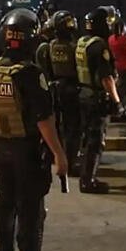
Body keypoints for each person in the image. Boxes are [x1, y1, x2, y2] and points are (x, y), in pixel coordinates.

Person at [0, 7, 68, 251]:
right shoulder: (31, 73)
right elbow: (44, 120)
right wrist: (59, 154)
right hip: (28, 153)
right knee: (30, 213)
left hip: (1, 150)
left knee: (5, 208)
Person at [75, 6, 123, 193]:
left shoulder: (82, 42)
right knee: (96, 141)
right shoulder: (100, 46)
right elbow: (106, 78)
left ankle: (85, 176)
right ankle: (88, 181)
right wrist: (117, 101)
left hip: (83, 95)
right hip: (96, 98)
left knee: (86, 138)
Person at [35, 10, 82, 172]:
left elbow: (42, 70)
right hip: (71, 90)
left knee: (51, 126)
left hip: (52, 89)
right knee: (72, 127)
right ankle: (69, 160)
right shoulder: (76, 47)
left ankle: (47, 157)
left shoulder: (46, 47)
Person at [108, 20, 126, 122]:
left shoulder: (110, 39)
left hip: (115, 66)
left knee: (116, 89)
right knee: (122, 91)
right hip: (124, 67)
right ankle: (119, 113)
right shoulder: (124, 39)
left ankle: (115, 111)